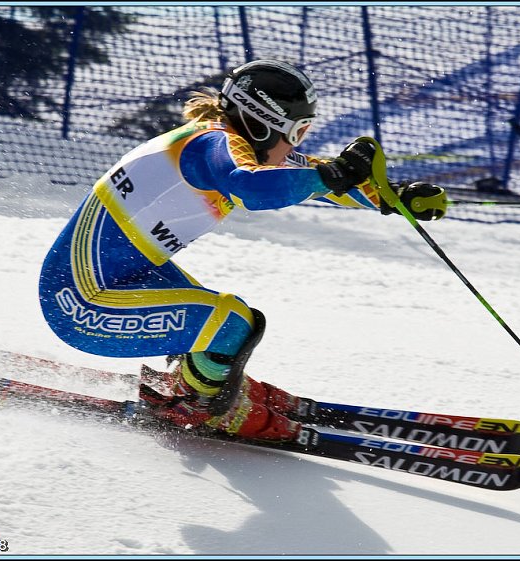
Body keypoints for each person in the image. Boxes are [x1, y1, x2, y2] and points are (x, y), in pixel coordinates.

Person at [39, 59, 445, 442]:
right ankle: (198, 407)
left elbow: (313, 176)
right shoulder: (216, 144)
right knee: (232, 324)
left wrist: (394, 198)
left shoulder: (227, 141)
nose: (298, 143)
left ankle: (202, 382)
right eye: (298, 131)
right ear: (263, 123)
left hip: (114, 285)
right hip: (83, 305)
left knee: (231, 326)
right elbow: (251, 186)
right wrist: (330, 176)